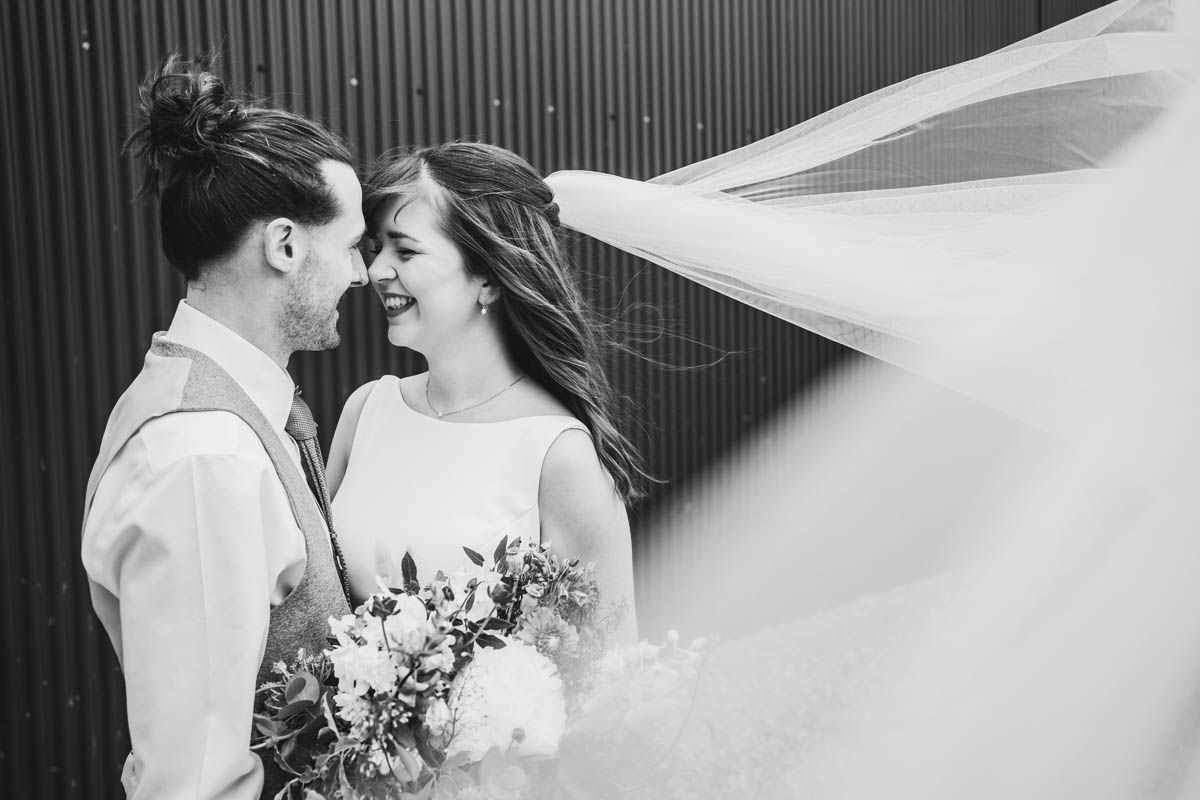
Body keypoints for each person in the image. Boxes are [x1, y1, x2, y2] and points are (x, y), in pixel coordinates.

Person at [80, 53, 367, 799]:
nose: (363, 273)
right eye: (352, 244)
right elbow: (196, 780)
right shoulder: (206, 457)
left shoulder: (217, 411)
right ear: (284, 246)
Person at [326, 142, 640, 641]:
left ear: (488, 279)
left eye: (404, 250)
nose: (375, 271)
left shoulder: (558, 456)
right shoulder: (366, 410)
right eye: (375, 250)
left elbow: (609, 675)